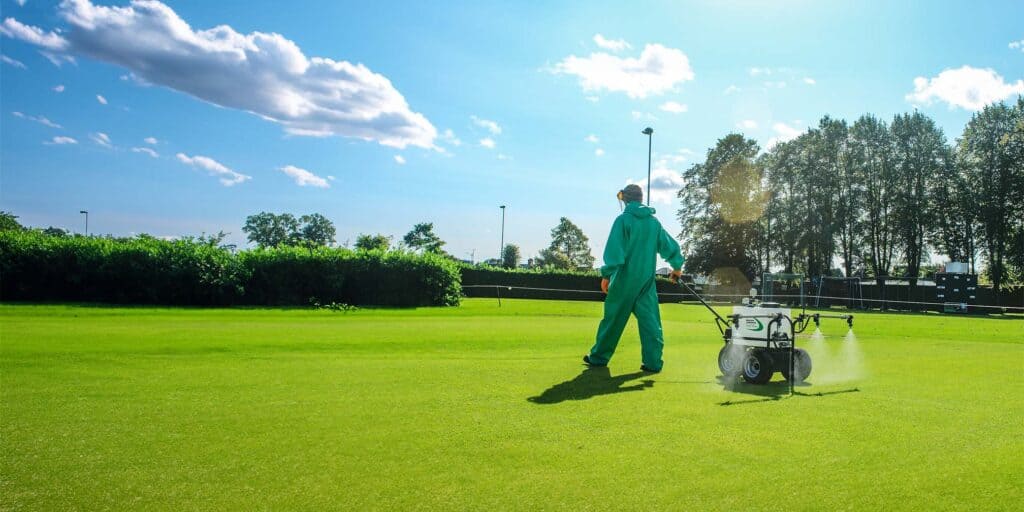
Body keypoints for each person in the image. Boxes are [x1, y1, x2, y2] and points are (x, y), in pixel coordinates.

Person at [583, 184, 684, 373]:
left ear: (625, 199)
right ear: (640, 198)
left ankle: (598, 358)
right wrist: (677, 267)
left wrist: (606, 275)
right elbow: (668, 246)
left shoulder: (622, 221)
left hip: (623, 281)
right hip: (646, 282)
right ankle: (653, 363)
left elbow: (615, 253)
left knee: (612, 322)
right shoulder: (654, 223)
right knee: (651, 323)